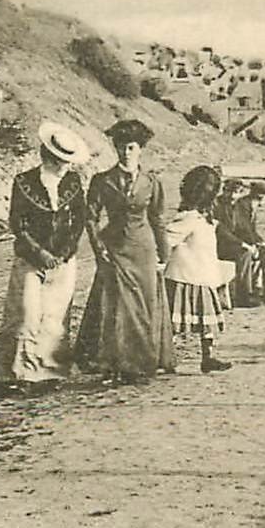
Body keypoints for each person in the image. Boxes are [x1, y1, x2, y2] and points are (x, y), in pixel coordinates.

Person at [0, 120, 92, 388]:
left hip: (63, 261)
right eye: (60, 160)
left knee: (55, 318)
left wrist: (65, 252)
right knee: (26, 315)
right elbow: (18, 224)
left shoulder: (73, 182)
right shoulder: (24, 182)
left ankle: (50, 373)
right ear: (47, 156)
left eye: (67, 161)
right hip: (30, 259)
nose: (64, 166)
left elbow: (79, 220)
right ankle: (16, 374)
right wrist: (40, 253)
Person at [76, 118, 172, 383]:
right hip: (115, 249)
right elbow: (90, 217)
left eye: (131, 147)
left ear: (140, 149)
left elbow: (158, 220)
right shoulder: (102, 180)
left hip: (144, 250)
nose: (125, 152)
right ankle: (115, 364)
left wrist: (164, 255)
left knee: (143, 306)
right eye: (120, 147)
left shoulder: (152, 182)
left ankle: (141, 365)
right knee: (116, 306)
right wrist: (99, 248)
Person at [163, 166, 236, 373]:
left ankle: (208, 357)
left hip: (203, 276)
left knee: (206, 322)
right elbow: (166, 239)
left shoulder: (205, 219)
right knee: (176, 320)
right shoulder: (189, 218)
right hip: (184, 276)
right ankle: (166, 357)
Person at [215, 180, 265, 307]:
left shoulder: (236, 206)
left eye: (237, 192)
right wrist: (243, 244)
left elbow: (244, 229)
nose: (233, 195)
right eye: (230, 192)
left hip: (235, 243)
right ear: (224, 190)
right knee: (245, 253)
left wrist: (258, 243)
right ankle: (244, 295)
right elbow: (221, 231)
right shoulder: (217, 205)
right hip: (221, 245)